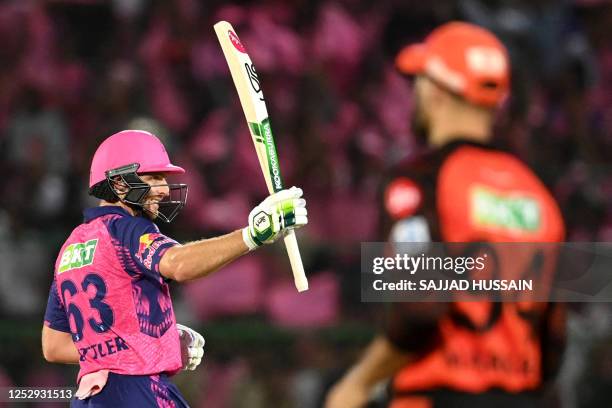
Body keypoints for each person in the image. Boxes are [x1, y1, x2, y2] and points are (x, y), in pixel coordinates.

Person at [325, 22, 566, 408]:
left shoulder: (421, 180)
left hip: (436, 395)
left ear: (437, 90)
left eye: (419, 80)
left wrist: (358, 382)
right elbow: (553, 340)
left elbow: (418, 307)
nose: (415, 91)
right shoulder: (539, 196)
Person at [42, 130, 308, 407]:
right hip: (137, 390)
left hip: (91, 397)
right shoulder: (125, 228)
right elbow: (177, 263)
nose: (165, 189)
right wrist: (253, 235)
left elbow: (54, 346)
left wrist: (157, 340)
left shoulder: (70, 247)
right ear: (120, 185)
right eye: (153, 177)